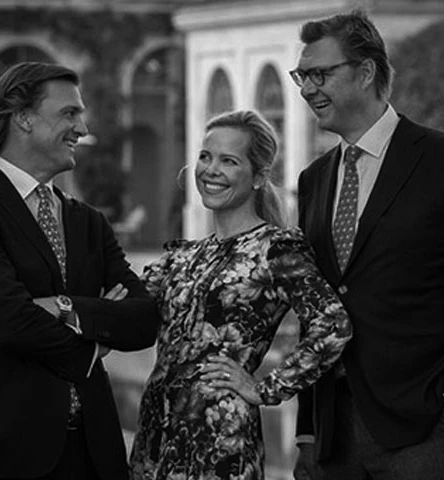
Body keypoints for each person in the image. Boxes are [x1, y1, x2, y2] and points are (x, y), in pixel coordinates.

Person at [129, 109, 352, 480]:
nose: (211, 170)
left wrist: (266, 388)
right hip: (156, 435)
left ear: (259, 176)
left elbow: (332, 324)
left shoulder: (275, 249)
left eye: (229, 161)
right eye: (206, 156)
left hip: (219, 440)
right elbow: (122, 308)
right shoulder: (182, 257)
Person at [0, 62, 160, 480]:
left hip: (95, 452)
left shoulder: (88, 221)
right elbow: (11, 322)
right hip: (8, 455)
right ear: (23, 117)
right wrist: (93, 343)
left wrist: (64, 306)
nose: (82, 128)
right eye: (69, 113)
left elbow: (144, 320)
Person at [290, 10, 444, 480]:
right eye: (302, 76)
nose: (307, 89)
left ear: (365, 72)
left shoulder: (437, 161)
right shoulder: (314, 180)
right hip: (332, 438)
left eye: (319, 74)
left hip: (422, 434)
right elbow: (313, 308)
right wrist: (307, 431)